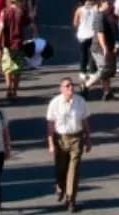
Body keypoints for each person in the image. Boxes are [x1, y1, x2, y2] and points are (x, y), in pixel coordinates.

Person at [45, 77, 93, 212]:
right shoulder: (54, 103)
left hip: (76, 138)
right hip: (60, 139)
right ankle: (60, 186)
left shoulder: (80, 101)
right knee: (61, 169)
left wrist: (88, 138)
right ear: (61, 89)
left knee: (74, 170)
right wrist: (51, 144)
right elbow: (50, 125)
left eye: (72, 85)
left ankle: (71, 199)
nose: (70, 88)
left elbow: (85, 121)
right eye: (67, 86)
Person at [0, 0, 30, 99]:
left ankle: (9, 87)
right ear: (19, 0)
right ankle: (14, 91)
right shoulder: (22, 12)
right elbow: (28, 23)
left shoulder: (4, 12)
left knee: (8, 68)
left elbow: (0, 28)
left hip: (7, 45)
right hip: (19, 44)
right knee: (17, 69)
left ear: (10, 0)